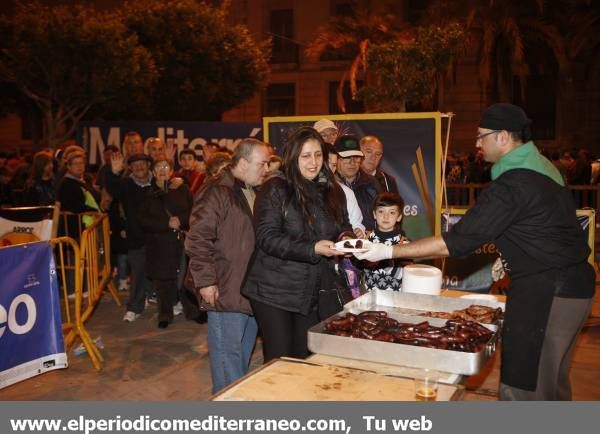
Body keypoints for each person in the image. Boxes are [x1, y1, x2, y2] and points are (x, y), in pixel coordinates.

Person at [355, 103, 595, 401]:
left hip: (546, 292)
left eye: (483, 136)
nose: (477, 143)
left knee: (526, 388)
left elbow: (455, 241)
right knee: (552, 385)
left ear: (504, 137)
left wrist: (386, 252)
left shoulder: (514, 182)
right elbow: (544, 228)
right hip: (574, 288)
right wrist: (509, 255)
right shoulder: (543, 168)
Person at [242, 127, 349, 362]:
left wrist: (348, 239)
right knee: (280, 360)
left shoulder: (333, 190)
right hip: (273, 290)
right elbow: (267, 238)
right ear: (293, 156)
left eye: (318, 155)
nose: (313, 162)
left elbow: (342, 226)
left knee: (303, 356)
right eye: (306, 156)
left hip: (310, 289)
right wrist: (313, 249)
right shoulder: (276, 188)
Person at [185, 138, 271, 394]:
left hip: (250, 290)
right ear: (243, 163)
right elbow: (198, 237)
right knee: (227, 366)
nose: (266, 169)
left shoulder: (252, 189)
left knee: (239, 361)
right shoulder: (216, 191)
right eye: (262, 163)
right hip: (224, 290)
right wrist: (206, 281)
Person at [138, 157, 192, 329]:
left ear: (171, 170)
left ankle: (193, 311)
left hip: (180, 240)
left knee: (186, 277)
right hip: (159, 242)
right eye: (158, 167)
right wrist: (165, 224)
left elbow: (194, 212)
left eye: (165, 166)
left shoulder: (181, 189)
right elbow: (142, 219)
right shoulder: (147, 193)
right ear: (153, 172)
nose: (162, 169)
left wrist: (181, 220)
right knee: (163, 281)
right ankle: (165, 314)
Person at [106, 152, 155, 322]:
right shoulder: (126, 184)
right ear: (130, 168)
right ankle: (135, 307)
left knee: (165, 272)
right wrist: (114, 172)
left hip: (158, 238)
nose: (139, 167)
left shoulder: (158, 182)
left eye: (143, 163)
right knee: (138, 273)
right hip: (136, 239)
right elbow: (112, 189)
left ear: (149, 165)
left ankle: (169, 304)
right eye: (135, 164)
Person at [362, 192, 410, 291]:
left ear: (399, 217)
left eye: (392, 212)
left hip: (395, 299)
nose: (386, 216)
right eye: (381, 212)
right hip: (368, 296)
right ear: (374, 214)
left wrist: (385, 261)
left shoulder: (404, 244)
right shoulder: (365, 238)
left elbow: (408, 274)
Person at [334, 134, 382, 230]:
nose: (352, 162)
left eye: (356, 157)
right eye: (347, 157)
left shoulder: (372, 184)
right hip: (338, 243)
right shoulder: (327, 186)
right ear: (335, 159)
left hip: (370, 242)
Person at [324, 142, 364, 236]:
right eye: (326, 163)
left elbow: (356, 223)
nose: (329, 170)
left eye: (333, 165)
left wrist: (358, 231)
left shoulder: (345, 192)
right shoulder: (301, 190)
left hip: (339, 248)